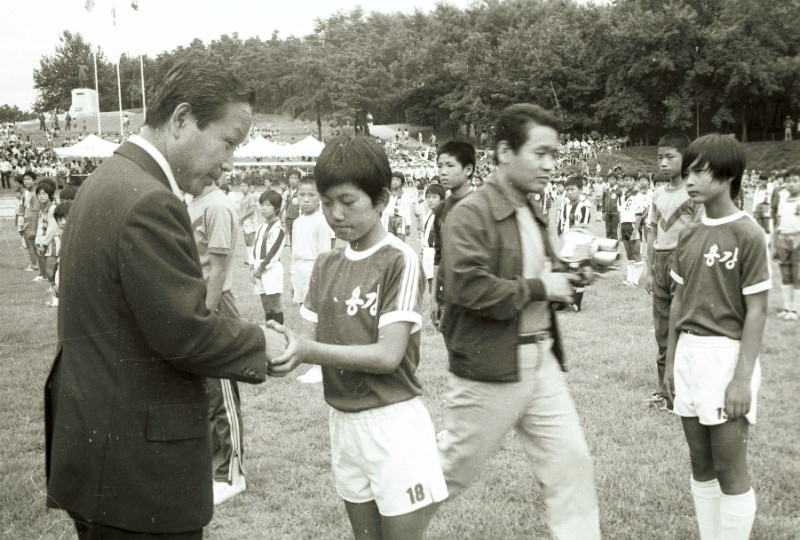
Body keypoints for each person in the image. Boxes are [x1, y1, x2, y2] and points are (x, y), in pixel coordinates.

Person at [45, 58, 290, 539]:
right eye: (228, 142)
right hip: (138, 472)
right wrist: (264, 343)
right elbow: (186, 332)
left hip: (101, 455)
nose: (230, 162)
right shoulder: (149, 201)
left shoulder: (109, 179)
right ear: (181, 120)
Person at [270, 135, 448, 540]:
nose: (335, 214)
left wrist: (306, 351)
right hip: (342, 421)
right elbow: (307, 342)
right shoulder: (325, 264)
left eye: (348, 202)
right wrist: (275, 349)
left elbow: (388, 355)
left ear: (382, 198)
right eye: (327, 201)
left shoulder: (398, 259)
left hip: (391, 424)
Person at [437, 103, 600, 539]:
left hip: (541, 361)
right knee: (447, 474)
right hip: (491, 368)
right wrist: (542, 287)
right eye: (541, 153)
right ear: (505, 152)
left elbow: (538, 279)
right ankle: (384, 526)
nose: (551, 165)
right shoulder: (470, 212)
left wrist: (570, 275)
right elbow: (468, 289)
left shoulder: (530, 208)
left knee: (571, 467)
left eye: (555, 155)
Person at [665, 133, 770, 540]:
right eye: (687, 170)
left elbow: (757, 310)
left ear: (727, 175)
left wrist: (741, 378)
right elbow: (677, 302)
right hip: (689, 354)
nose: (689, 178)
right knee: (700, 464)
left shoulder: (749, 234)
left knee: (730, 468)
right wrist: (673, 361)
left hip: (726, 358)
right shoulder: (689, 233)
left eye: (699, 170)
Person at [187, 176, 249, 505]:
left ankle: (232, 473)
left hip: (214, 304)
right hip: (195, 303)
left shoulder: (217, 205)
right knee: (205, 394)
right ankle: (214, 465)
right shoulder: (192, 201)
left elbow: (220, 267)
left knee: (221, 391)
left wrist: (207, 313)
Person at [641, 135, 702, 409]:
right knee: (662, 329)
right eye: (659, 158)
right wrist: (649, 269)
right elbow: (652, 230)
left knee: (686, 325)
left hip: (684, 262)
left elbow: (700, 232)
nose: (663, 163)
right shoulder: (656, 194)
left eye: (670, 157)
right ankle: (665, 391)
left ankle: (687, 389)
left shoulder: (693, 193)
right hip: (661, 262)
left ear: (685, 158)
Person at [430, 141, 476, 327]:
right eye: (440, 166)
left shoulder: (482, 207)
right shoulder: (441, 209)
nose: (443, 171)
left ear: (468, 170)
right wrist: (433, 297)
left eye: (450, 165)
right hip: (447, 294)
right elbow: (438, 255)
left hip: (476, 295)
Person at [557, 174, 592, 312]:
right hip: (565, 243)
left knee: (577, 272)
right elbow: (561, 224)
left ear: (581, 189)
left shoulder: (584, 206)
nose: (569, 192)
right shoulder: (565, 206)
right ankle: (564, 300)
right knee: (564, 271)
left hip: (578, 243)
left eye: (572, 189)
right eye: (567, 190)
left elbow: (583, 227)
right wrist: (560, 240)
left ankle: (576, 303)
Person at [253, 189, 286, 325]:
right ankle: (270, 333)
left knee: (274, 305)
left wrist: (261, 269)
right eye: (262, 205)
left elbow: (273, 253)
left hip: (270, 270)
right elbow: (255, 248)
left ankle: (279, 334)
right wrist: (252, 267)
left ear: (277, 208)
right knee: (266, 305)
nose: (263, 208)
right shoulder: (261, 227)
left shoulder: (279, 230)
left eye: (267, 205)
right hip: (258, 269)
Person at [774, 167, 800, 320]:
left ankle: (795, 310)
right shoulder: (783, 199)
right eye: (788, 181)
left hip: (797, 238)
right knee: (785, 274)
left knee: (797, 275)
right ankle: (786, 308)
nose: (791, 184)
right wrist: (776, 242)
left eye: (795, 181)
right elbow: (778, 221)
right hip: (783, 238)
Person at [618, 170, 648, 286]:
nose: (628, 182)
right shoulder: (624, 196)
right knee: (629, 254)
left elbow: (640, 214)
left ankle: (635, 281)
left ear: (635, 182)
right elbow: (622, 214)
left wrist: (635, 231)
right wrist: (620, 231)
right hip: (624, 225)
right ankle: (629, 279)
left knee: (636, 254)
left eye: (631, 180)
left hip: (632, 226)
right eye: (626, 180)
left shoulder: (638, 195)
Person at [421, 184, 446, 294]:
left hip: (435, 253)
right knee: (430, 283)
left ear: (442, 199)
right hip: (427, 253)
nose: (430, 200)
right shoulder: (427, 216)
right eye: (428, 197)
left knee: (437, 286)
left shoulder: (442, 216)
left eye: (434, 197)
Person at [238, 180, 259, 266]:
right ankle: (250, 260)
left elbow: (252, 209)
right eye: (241, 186)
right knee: (246, 241)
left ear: (248, 187)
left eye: (245, 186)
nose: (243, 188)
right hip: (244, 221)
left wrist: (243, 217)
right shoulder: (243, 197)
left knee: (251, 240)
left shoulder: (251, 196)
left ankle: (252, 261)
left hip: (250, 220)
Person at [281, 168, 302, 247]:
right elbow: (283, 207)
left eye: (295, 178)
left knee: (300, 242)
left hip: (299, 220)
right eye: (291, 178)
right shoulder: (287, 193)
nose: (293, 180)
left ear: (299, 180)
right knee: (292, 241)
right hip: (289, 220)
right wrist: (283, 220)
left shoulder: (302, 193)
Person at [601, 173, 622, 239]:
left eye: (613, 179)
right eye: (610, 179)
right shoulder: (605, 190)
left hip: (615, 213)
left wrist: (620, 212)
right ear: (608, 180)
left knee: (614, 231)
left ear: (616, 180)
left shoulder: (618, 191)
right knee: (608, 231)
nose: (611, 180)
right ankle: (608, 246)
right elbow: (603, 201)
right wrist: (603, 212)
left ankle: (614, 247)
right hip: (607, 213)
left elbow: (621, 202)